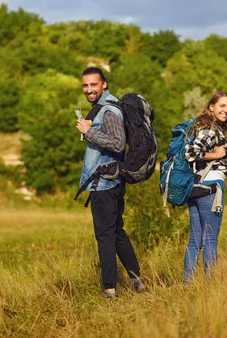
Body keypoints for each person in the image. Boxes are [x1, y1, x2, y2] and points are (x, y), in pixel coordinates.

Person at [76, 66, 146, 298]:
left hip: (105, 184)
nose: (89, 90)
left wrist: (89, 132)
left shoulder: (108, 111)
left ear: (104, 84)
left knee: (105, 235)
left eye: (93, 85)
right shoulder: (106, 108)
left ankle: (110, 289)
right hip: (111, 181)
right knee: (116, 232)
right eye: (85, 85)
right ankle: (137, 280)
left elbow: (118, 143)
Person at [183, 91, 227, 284]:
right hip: (210, 189)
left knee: (195, 240)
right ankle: (211, 284)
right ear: (211, 107)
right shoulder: (210, 129)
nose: (226, 110)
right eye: (222, 106)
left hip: (196, 187)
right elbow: (191, 153)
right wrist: (216, 155)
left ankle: (188, 284)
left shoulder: (202, 126)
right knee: (210, 239)